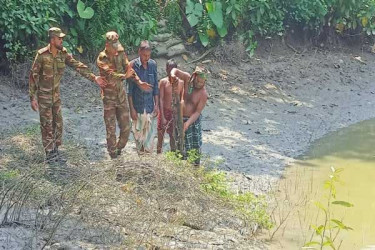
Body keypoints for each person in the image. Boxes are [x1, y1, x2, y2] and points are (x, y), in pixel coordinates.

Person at [29, 27, 107, 163]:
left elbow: (76, 65)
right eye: (59, 38)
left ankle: (55, 149)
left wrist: (94, 78)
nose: (61, 40)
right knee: (46, 124)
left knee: (58, 123)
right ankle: (49, 153)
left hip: (56, 96)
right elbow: (33, 75)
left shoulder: (62, 53)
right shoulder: (42, 55)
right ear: (52, 39)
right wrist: (32, 97)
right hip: (44, 96)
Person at [96, 31, 152, 159]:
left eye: (117, 44)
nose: (116, 48)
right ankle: (113, 156)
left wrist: (138, 81)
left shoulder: (120, 53)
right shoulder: (102, 58)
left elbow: (128, 68)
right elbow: (109, 74)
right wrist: (124, 76)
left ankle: (118, 148)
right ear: (107, 44)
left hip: (121, 97)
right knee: (110, 130)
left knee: (126, 128)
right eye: (113, 45)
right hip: (109, 99)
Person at [170, 66, 208, 165]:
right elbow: (175, 70)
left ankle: (195, 167)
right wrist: (173, 75)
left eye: (202, 82)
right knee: (179, 142)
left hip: (193, 121)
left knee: (194, 146)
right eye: (198, 81)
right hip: (180, 117)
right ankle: (178, 164)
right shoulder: (187, 78)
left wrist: (187, 124)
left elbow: (197, 112)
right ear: (194, 76)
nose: (199, 84)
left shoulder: (203, 94)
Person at [127, 40, 159, 153]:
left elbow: (155, 87)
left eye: (148, 55)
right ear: (139, 52)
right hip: (138, 107)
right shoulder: (132, 66)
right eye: (145, 55)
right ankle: (141, 159)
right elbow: (129, 91)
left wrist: (157, 105)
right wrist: (132, 109)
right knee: (138, 138)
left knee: (149, 140)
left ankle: (147, 161)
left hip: (150, 107)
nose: (146, 58)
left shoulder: (153, 64)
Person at [157, 59, 184, 154]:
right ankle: (158, 154)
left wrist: (180, 115)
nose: (170, 72)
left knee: (173, 136)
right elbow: (161, 99)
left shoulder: (181, 83)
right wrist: (163, 116)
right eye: (169, 70)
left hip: (175, 113)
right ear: (166, 69)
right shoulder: (163, 82)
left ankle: (173, 155)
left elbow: (181, 100)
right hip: (164, 111)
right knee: (160, 134)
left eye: (173, 70)